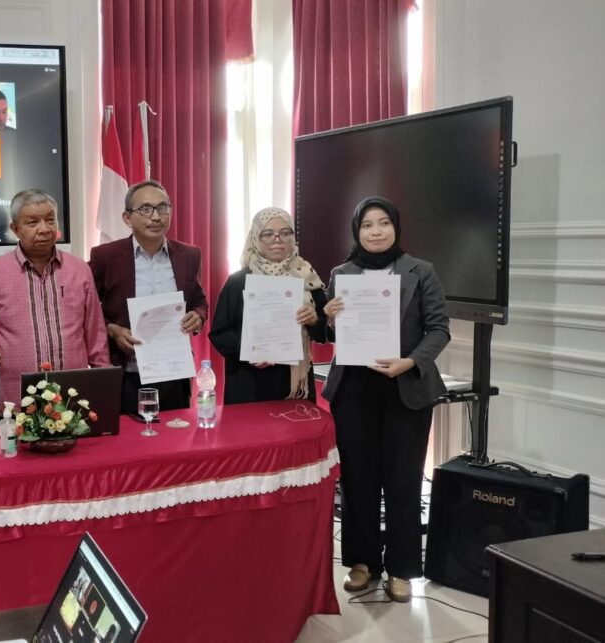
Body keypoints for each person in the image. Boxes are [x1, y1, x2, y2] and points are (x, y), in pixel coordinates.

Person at [321, 196, 450, 603]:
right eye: (367, 226)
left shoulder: (421, 271)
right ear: (356, 231)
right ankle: (362, 563)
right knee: (358, 481)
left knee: (403, 482)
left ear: (396, 227)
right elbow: (332, 336)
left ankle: (401, 569)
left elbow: (439, 329)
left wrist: (410, 361)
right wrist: (329, 317)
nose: (376, 232)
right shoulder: (342, 273)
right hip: (354, 392)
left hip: (405, 389)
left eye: (383, 224)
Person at [0, 189, 109, 403]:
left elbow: (95, 335)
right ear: (15, 229)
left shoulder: (79, 270)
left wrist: (103, 384)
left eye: (50, 220)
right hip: (15, 401)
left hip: (72, 398)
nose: (44, 229)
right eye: (33, 222)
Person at [89, 180, 207, 413]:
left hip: (174, 371)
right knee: (129, 446)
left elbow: (199, 301)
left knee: (176, 440)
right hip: (127, 372)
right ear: (127, 218)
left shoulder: (189, 255)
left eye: (163, 208)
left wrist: (198, 316)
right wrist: (111, 329)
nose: (156, 217)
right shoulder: (106, 257)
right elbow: (87, 310)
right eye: (145, 209)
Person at [209, 207, 328, 403]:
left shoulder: (308, 277)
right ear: (255, 238)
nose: (277, 239)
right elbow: (219, 334)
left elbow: (323, 332)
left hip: (295, 385)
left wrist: (314, 320)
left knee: (297, 433)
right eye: (268, 234)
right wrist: (249, 351)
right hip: (248, 383)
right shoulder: (239, 281)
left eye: (284, 232)